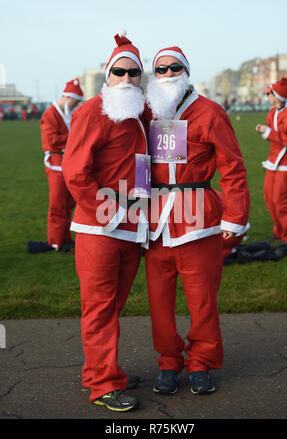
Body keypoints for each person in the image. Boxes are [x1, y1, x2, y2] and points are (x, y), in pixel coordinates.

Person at [144, 46, 250, 395]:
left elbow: (232, 166)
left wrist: (235, 215)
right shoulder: (147, 112)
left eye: (176, 67)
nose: (169, 73)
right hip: (156, 219)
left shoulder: (210, 112)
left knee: (202, 297)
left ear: (187, 71)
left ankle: (201, 361)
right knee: (159, 299)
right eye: (161, 69)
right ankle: (168, 362)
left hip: (198, 218)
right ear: (154, 74)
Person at [62, 31, 149, 412]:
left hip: (134, 223)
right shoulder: (89, 112)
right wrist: (110, 210)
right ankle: (103, 384)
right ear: (108, 75)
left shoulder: (142, 113)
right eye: (120, 72)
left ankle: (99, 370)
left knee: (112, 305)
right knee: (99, 306)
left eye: (134, 74)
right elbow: (75, 172)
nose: (127, 80)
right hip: (100, 227)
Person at [40, 78, 83, 251]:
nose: (76, 105)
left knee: (68, 204)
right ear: (68, 97)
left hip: (66, 163)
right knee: (58, 205)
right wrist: (74, 137)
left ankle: (64, 239)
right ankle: (55, 241)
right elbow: (51, 141)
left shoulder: (67, 113)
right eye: (75, 101)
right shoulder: (50, 114)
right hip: (55, 163)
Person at [256, 78, 287, 243]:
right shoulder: (272, 113)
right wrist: (266, 130)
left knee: (281, 200)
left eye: (270, 93)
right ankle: (280, 230)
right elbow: (275, 134)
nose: (268, 96)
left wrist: (268, 132)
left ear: (278, 95)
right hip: (273, 160)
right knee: (269, 198)